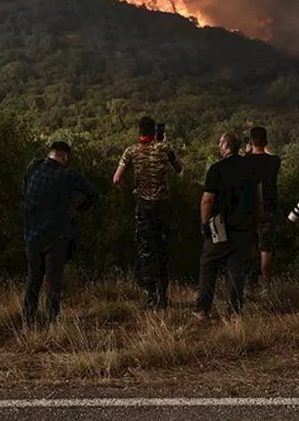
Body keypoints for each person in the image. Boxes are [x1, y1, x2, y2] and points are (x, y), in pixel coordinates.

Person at [22, 141, 99, 326]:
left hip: (32, 233)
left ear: (50, 153)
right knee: (53, 282)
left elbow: (25, 190)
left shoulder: (34, 167)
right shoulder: (68, 175)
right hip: (57, 234)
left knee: (33, 279)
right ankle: (51, 324)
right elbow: (93, 194)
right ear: (65, 156)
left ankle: (28, 322)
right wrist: (77, 211)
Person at [114, 116, 183, 309]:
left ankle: (151, 296)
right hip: (162, 205)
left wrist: (130, 193)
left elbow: (116, 179)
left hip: (143, 205)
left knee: (147, 251)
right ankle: (163, 295)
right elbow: (179, 168)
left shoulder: (131, 151)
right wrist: (165, 146)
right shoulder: (164, 148)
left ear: (139, 131)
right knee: (163, 248)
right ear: (155, 132)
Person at [194, 132, 262, 320]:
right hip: (244, 225)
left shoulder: (216, 169)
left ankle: (202, 309)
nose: (218, 146)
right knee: (236, 269)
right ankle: (234, 312)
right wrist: (256, 221)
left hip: (220, 226)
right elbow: (259, 198)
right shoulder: (250, 169)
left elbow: (207, 200)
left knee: (208, 265)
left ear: (225, 145)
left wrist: (203, 222)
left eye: (220, 143)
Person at [242, 126, 281, 280]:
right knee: (266, 248)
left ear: (251, 142)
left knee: (246, 246)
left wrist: (248, 151)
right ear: (265, 141)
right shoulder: (274, 161)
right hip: (268, 207)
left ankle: (246, 281)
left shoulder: (245, 161)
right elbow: (272, 154)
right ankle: (266, 282)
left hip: (248, 207)